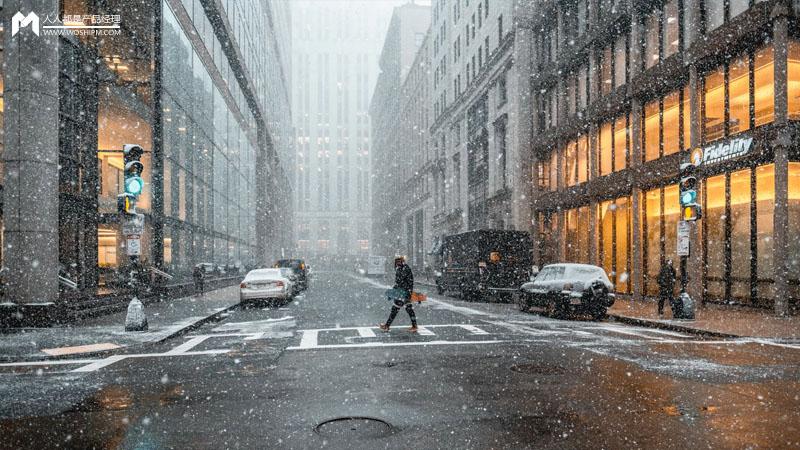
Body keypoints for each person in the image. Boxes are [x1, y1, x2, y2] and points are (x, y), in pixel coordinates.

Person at [380, 256, 418, 333]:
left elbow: (406, 282)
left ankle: (387, 326)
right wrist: (394, 291)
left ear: (402, 261)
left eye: (399, 261)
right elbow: (398, 283)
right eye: (396, 261)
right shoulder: (400, 269)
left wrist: (408, 293)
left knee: (398, 309)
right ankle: (414, 326)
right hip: (401, 292)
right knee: (405, 309)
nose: (397, 263)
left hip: (404, 293)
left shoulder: (405, 269)